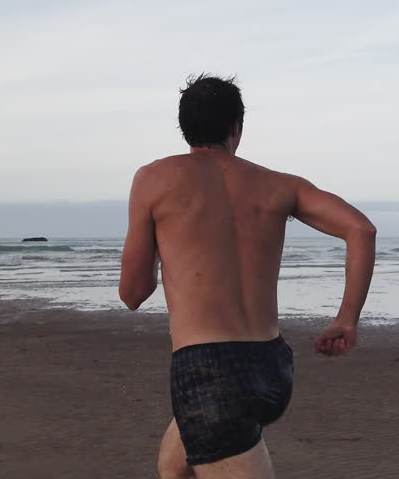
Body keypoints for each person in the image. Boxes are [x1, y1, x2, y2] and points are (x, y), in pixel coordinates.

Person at [119, 74, 377, 479]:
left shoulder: (154, 179)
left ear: (184, 127)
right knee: (174, 468)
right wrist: (347, 319)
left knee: (210, 432)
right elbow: (361, 230)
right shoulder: (280, 184)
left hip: (207, 370)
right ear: (237, 128)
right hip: (271, 365)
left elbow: (133, 293)